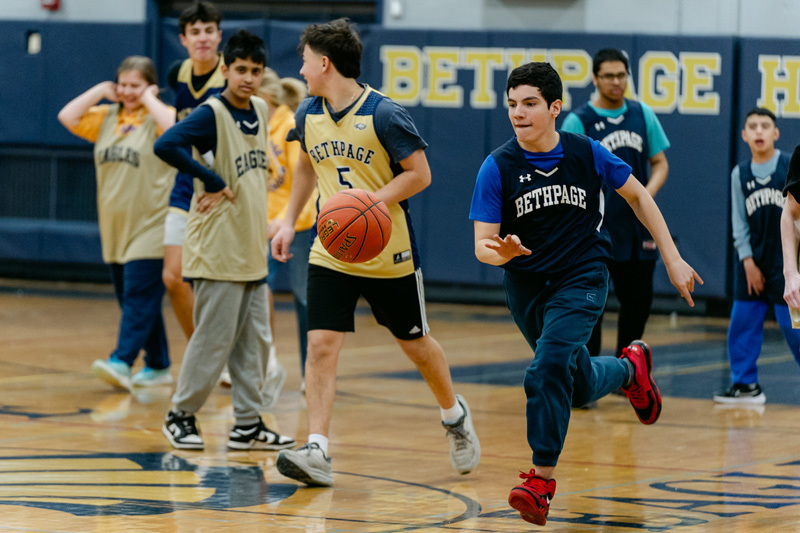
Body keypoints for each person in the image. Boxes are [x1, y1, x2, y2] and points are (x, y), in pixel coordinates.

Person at [469, 62, 701, 526]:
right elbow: (481, 246)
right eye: (512, 104)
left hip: (583, 275)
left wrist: (673, 258)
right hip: (527, 285)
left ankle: (540, 480)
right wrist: (503, 252)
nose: (518, 113)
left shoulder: (587, 152)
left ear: (555, 108)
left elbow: (638, 196)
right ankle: (629, 370)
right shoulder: (496, 167)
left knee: (547, 367)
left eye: (530, 103)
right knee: (573, 383)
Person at [271, 18, 480, 486]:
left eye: (305, 61)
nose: (301, 70)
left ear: (324, 63)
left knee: (417, 346)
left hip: (388, 252)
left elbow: (420, 174)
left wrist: (372, 202)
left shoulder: (384, 114)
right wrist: (289, 220)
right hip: (332, 249)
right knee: (321, 344)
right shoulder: (307, 113)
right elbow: (306, 164)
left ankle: (454, 415)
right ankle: (318, 449)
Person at [153, 29, 295, 451]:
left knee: (254, 341)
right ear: (226, 70)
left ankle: (248, 424)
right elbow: (167, 144)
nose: (248, 78)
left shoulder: (258, 107)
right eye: (240, 70)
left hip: (248, 242)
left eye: (255, 70)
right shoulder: (210, 112)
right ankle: (180, 414)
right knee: (213, 338)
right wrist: (210, 179)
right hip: (217, 245)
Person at [57, 56, 176, 389]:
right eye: (122, 84)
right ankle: (158, 364)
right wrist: (101, 90)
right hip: (115, 225)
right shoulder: (108, 116)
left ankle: (121, 362)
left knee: (138, 294)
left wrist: (150, 98)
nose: (127, 91)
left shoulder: (156, 118)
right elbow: (67, 116)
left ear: (150, 86)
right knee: (134, 299)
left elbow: (173, 127)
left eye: (135, 85)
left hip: (152, 223)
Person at [561, 48, 670, 364]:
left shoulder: (642, 114)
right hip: (596, 229)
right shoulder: (578, 121)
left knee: (638, 303)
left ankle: (628, 373)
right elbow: (567, 173)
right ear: (595, 78)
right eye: (608, 76)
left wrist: (644, 194)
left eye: (621, 75)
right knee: (591, 302)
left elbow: (660, 162)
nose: (616, 82)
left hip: (636, 227)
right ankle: (589, 373)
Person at [716, 108, 800, 404]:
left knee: (794, 326)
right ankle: (745, 385)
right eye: (753, 126)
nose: (759, 131)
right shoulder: (740, 174)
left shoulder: (790, 164)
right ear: (744, 135)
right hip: (752, 259)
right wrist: (747, 260)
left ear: (776, 133)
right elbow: (739, 222)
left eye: (766, 126)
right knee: (742, 322)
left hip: (786, 260)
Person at [162, 1, 225, 341]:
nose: (202, 38)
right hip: (187, 182)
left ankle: (239, 354)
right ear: (183, 39)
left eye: (208, 31)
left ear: (219, 35)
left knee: (218, 281)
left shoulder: (231, 75)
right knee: (173, 277)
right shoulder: (179, 74)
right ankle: (201, 352)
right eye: (195, 32)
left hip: (224, 185)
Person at [258, 69, 315, 404]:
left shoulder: (291, 125)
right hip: (259, 225)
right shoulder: (248, 124)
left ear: (268, 97)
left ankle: (312, 371)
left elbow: (303, 176)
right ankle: (264, 362)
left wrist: (286, 218)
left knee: (306, 300)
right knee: (255, 290)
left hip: (300, 223)